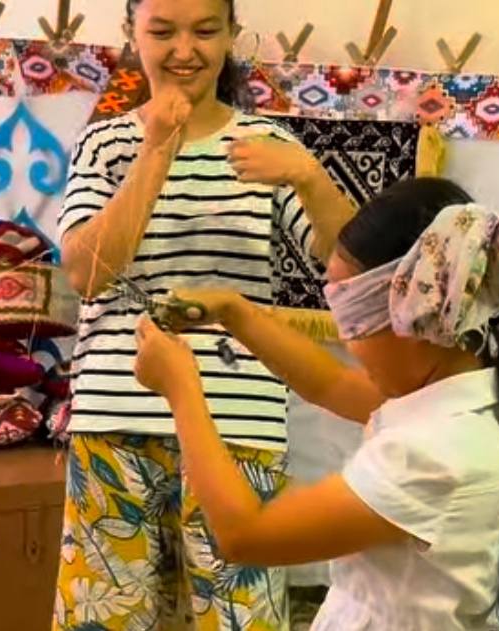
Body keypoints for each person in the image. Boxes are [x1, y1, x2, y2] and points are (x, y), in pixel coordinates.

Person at [134, 177, 499, 630]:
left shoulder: (433, 452)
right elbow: (331, 385)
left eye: (354, 317)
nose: (347, 340)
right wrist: (236, 312)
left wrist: (181, 389)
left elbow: (245, 536)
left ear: (419, 311)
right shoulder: (476, 403)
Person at [52, 0, 357, 627]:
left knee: (240, 618)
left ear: (231, 37)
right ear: (132, 36)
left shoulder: (267, 146)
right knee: (106, 618)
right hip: (114, 420)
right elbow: (86, 273)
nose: (185, 50)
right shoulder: (106, 142)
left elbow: (351, 270)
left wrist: (309, 177)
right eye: (163, 31)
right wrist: (155, 150)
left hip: (237, 426)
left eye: (206, 30)